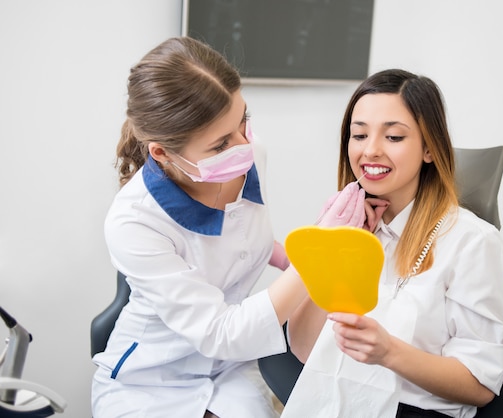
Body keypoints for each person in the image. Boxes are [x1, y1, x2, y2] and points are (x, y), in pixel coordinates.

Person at [90, 36, 367, 418]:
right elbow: (221, 332)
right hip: (151, 381)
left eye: (244, 121)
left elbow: (236, 236)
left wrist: (289, 256)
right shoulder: (133, 221)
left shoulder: (251, 157)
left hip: (232, 371)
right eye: (220, 144)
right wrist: (316, 255)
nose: (243, 146)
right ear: (161, 152)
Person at [283, 69, 503, 418]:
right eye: (358, 134)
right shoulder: (352, 228)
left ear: (430, 149)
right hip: (336, 400)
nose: (370, 150)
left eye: (393, 137)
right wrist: (333, 244)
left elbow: (479, 385)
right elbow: (302, 348)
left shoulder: (473, 242)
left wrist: (389, 352)